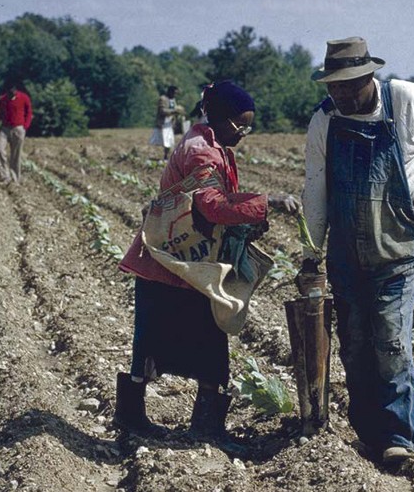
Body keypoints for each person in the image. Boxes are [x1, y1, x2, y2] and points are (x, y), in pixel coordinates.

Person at [300, 37, 414, 464]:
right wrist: (310, 252)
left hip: (402, 248)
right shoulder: (324, 121)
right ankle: (370, 435)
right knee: (355, 343)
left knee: (391, 339)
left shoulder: (408, 100)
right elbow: (315, 189)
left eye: (347, 85)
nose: (339, 94)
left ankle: (401, 435)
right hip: (347, 251)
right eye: (332, 86)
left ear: (368, 76)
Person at [117, 80, 300, 455]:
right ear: (220, 118)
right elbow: (212, 207)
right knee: (196, 339)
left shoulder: (210, 141)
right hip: (176, 264)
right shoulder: (203, 152)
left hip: (181, 260)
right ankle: (200, 427)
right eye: (241, 125)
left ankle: (156, 419)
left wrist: (247, 217)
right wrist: (266, 202)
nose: (245, 133)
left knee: (165, 338)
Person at [0, 82, 32, 183]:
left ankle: (15, 177)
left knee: (16, 154)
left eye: (13, 91)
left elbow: (29, 112)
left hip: (18, 128)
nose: (11, 93)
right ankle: (5, 176)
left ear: (15, 90)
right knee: (0, 150)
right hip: (5, 128)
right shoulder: (3, 100)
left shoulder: (24, 98)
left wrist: (25, 127)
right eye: (9, 92)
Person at [149, 85, 185, 160]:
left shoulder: (173, 100)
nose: (175, 95)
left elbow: (174, 109)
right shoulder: (163, 99)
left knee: (169, 141)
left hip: (169, 124)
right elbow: (162, 111)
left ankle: (166, 156)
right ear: (170, 92)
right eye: (174, 93)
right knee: (160, 141)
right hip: (163, 124)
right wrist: (175, 111)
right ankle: (161, 156)